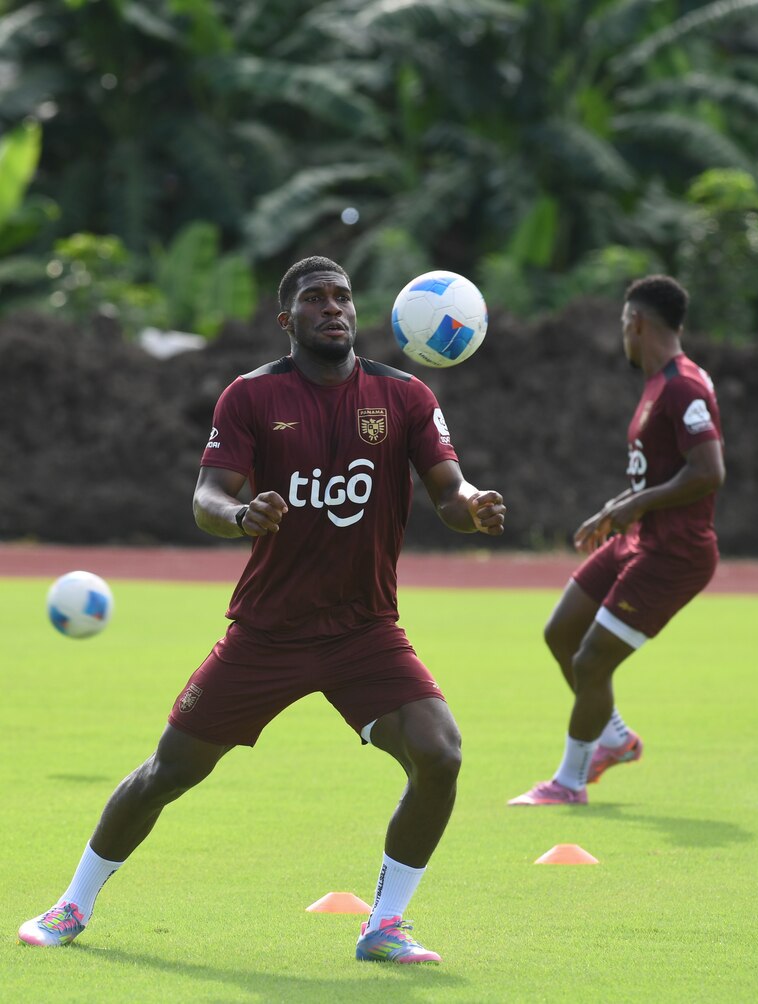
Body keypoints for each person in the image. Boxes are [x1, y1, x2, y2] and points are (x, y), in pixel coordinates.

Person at [19, 256, 505, 963]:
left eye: (342, 298)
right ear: (288, 320)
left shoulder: (405, 397)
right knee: (168, 773)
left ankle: (385, 924)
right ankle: (71, 904)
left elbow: (450, 493)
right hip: (267, 634)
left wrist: (474, 506)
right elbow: (206, 499)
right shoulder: (249, 397)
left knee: (440, 754)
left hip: (365, 632)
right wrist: (243, 514)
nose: (334, 308)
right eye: (316, 299)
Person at [508, 274, 725, 806]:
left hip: (674, 551)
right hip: (639, 537)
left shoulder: (683, 384)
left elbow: (709, 471)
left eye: (623, 327)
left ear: (636, 323)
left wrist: (631, 505)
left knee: (590, 662)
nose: (622, 337)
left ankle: (570, 782)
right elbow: (660, 474)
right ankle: (617, 738)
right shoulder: (657, 384)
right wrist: (615, 508)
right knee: (561, 633)